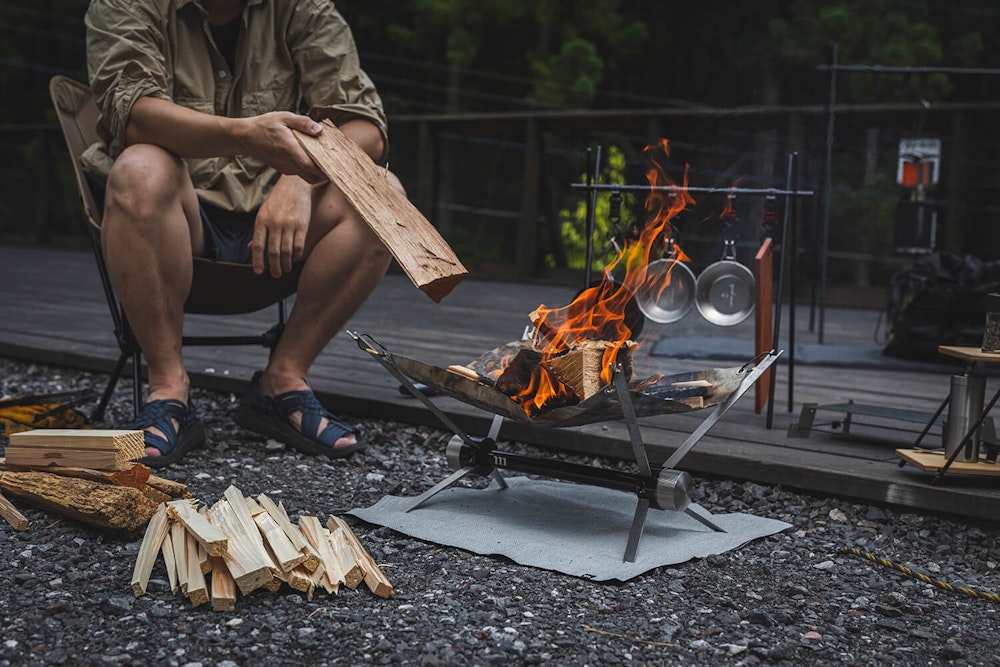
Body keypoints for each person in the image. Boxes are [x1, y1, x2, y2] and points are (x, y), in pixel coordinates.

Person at [84, 0, 401, 466]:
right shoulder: (126, 4)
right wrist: (245, 135)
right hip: (180, 215)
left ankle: (283, 379)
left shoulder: (302, 8)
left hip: (282, 223)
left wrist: (297, 180)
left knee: (384, 190)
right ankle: (168, 389)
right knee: (139, 168)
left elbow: (367, 125)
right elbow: (134, 116)